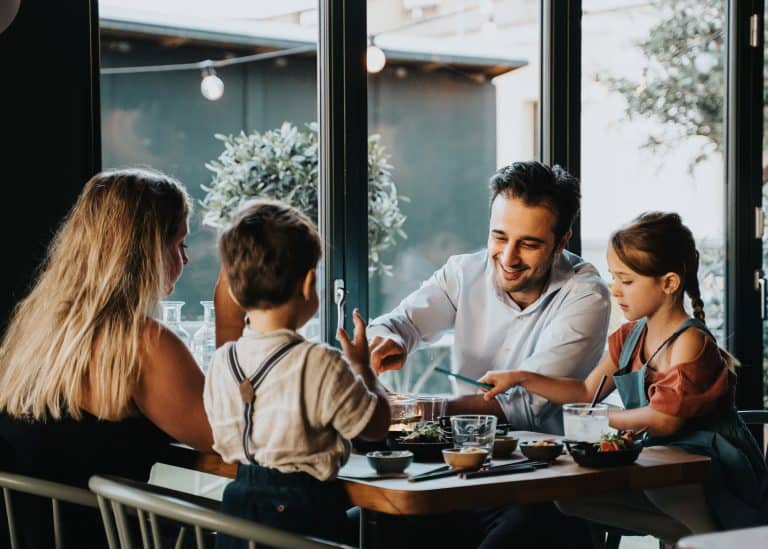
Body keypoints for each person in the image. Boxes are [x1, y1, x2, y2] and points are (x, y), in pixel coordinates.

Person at [480, 211, 768, 543]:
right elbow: (585, 390)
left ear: (669, 283)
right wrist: (521, 377)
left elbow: (666, 420)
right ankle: (687, 536)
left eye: (627, 281)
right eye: (613, 278)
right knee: (566, 498)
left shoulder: (689, 340)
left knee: (668, 493)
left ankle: (709, 539)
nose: (615, 290)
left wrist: (604, 419)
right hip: (662, 459)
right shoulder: (629, 336)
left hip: (712, 463)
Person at [0, 168, 214, 548]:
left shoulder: (35, 327)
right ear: (146, 251)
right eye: (179, 243)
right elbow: (232, 438)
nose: (185, 259)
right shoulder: (140, 343)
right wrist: (231, 325)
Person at [368, 160, 611, 434]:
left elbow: (521, 407)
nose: (508, 258)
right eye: (499, 238)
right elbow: (400, 324)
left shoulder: (585, 295)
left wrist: (416, 409)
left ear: (562, 242)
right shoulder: (463, 273)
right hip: (463, 447)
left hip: (548, 463)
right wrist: (392, 339)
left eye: (529, 244)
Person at [203, 199, 390, 547]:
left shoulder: (220, 362)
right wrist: (363, 368)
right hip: (303, 526)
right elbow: (376, 428)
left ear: (231, 289)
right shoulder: (318, 362)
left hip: (236, 522)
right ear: (309, 284)